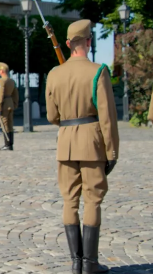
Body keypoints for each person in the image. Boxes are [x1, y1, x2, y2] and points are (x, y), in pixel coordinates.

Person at [46, 19, 119, 274]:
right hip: (92, 143)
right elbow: (108, 116)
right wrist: (112, 152)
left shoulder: (55, 74)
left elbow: (51, 117)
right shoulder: (99, 71)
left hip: (65, 143)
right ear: (89, 41)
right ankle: (90, 263)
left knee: (70, 201)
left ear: (67, 44)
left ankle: (76, 263)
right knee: (93, 201)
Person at [0, 62, 19, 150]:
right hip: (10, 103)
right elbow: (15, 94)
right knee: (10, 124)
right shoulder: (12, 81)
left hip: (4, 104)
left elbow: (0, 95)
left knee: (4, 124)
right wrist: (15, 103)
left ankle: (7, 144)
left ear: (2, 71)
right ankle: (11, 143)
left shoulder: (1, 81)